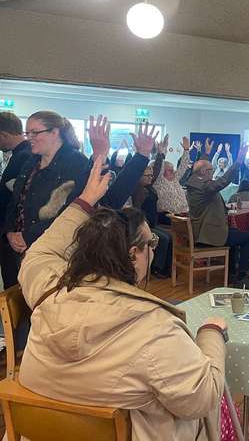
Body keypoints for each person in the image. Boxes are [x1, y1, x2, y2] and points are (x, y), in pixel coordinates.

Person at [18, 156, 228, 440]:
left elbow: (40, 253)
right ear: (133, 255)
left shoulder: (49, 290)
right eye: (150, 243)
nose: (153, 251)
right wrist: (212, 333)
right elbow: (201, 398)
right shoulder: (154, 329)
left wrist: (85, 201)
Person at [4, 113, 151, 288]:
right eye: (27, 133)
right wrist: (9, 231)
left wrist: (27, 236)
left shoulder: (75, 163)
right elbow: (14, 202)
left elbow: (83, 208)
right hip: (18, 249)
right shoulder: (29, 162)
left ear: (55, 133)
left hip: (54, 251)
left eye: (35, 132)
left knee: (43, 302)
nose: (29, 138)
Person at [187, 141, 249, 288]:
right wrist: (238, 162)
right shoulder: (204, 185)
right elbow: (223, 181)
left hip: (203, 230)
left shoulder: (193, 181)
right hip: (209, 234)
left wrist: (206, 153)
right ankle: (242, 276)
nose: (213, 172)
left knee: (236, 234)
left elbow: (200, 166)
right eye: (211, 170)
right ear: (204, 173)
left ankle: (232, 273)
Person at [128, 135, 172, 278]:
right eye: (146, 175)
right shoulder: (136, 188)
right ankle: (156, 269)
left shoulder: (150, 186)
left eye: (150, 175)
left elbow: (156, 168)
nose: (149, 177)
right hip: (142, 224)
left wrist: (160, 154)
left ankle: (167, 268)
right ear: (139, 176)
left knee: (169, 237)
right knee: (163, 238)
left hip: (153, 222)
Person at [0, 112, 32, 288]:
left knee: (14, 285)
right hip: (11, 232)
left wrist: (10, 231)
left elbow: (20, 199)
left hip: (14, 234)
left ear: (3, 135)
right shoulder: (20, 155)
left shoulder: (25, 156)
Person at [153, 136, 192, 224]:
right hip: (168, 216)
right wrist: (162, 153)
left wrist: (186, 150)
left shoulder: (175, 179)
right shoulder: (159, 181)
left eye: (173, 169)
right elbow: (159, 167)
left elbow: (183, 166)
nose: (173, 171)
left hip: (184, 214)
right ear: (163, 171)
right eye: (170, 170)